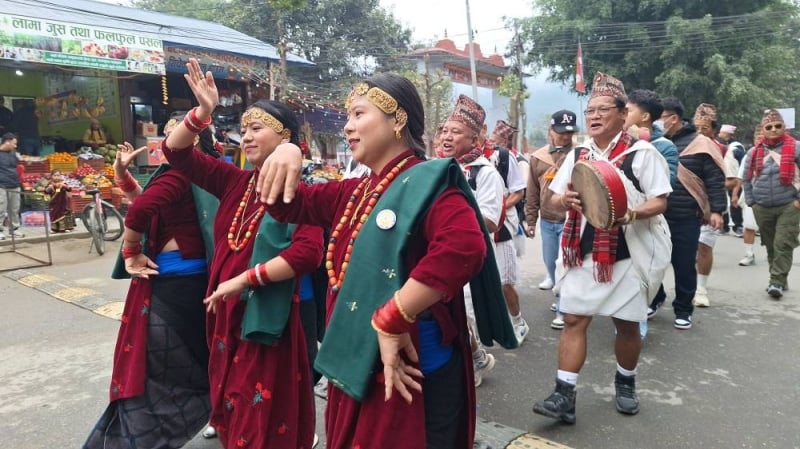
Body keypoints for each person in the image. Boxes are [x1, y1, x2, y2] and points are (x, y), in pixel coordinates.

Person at [258, 76, 516, 448]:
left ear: (398, 120)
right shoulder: (356, 190)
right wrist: (288, 151)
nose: (347, 125)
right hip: (360, 357)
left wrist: (393, 316)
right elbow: (286, 205)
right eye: (348, 115)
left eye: (358, 113)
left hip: (411, 375)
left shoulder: (430, 184)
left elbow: (465, 247)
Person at [164, 58, 324, 449]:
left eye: (257, 128)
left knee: (260, 406)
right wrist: (203, 113)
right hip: (225, 311)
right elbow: (176, 153)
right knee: (231, 394)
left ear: (285, 137)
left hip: (268, 315)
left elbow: (307, 253)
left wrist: (243, 280)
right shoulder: (234, 181)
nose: (246, 136)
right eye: (244, 129)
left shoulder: (303, 192)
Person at [532, 72, 671, 424]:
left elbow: (660, 201)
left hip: (627, 253)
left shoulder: (643, 153)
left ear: (624, 115)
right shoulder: (579, 153)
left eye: (603, 109)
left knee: (626, 326)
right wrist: (567, 199)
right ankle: (564, 395)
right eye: (590, 110)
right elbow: (554, 199)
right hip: (582, 251)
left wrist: (632, 214)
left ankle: (626, 381)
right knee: (575, 320)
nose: (593, 116)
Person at [82, 117, 220, 449]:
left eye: (175, 129)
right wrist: (122, 175)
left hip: (176, 290)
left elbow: (143, 207)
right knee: (190, 368)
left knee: (164, 377)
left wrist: (130, 251)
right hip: (190, 284)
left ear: (194, 140)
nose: (166, 136)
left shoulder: (180, 171)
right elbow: (153, 205)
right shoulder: (204, 172)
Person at [441, 95, 507, 387]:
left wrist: (451, 221)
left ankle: (474, 359)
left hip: (468, 254)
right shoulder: (437, 167)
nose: (447, 136)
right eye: (444, 130)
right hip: (439, 251)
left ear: (473, 138)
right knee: (446, 310)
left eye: (455, 132)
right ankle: (475, 355)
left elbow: (491, 220)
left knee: (462, 314)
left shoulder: (485, 173)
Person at [649, 99, 726, 329]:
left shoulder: (700, 143)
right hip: (655, 214)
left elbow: (714, 179)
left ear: (674, 118)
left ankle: (683, 308)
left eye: (660, 116)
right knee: (652, 262)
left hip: (686, 215)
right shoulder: (653, 142)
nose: (656, 121)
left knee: (683, 264)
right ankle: (655, 297)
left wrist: (716, 210)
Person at [478, 118, 529, 345]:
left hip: (501, 230)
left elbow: (519, 192)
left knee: (505, 283)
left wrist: (498, 207)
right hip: (474, 231)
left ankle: (518, 321)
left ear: (482, 131)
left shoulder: (503, 157)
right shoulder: (458, 160)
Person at [525, 109, 576, 330]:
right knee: (550, 263)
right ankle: (561, 295)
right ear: (551, 131)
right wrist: (530, 220)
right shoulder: (538, 157)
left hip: (571, 219)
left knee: (566, 264)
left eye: (569, 133)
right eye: (560, 132)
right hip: (547, 220)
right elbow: (532, 191)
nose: (565, 137)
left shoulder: (580, 154)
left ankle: (564, 306)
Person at [742, 109, 800, 299]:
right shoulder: (754, 151)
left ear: (784, 127)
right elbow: (746, 178)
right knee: (770, 244)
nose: (774, 129)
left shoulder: (796, 147)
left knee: (782, 243)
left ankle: (775, 282)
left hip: (789, 205)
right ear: (763, 130)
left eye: (778, 126)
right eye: (769, 127)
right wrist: (752, 202)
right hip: (762, 206)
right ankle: (779, 278)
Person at [732, 125, 763, 266]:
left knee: (773, 231)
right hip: (751, 195)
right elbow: (741, 177)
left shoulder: (781, 153)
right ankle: (749, 254)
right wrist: (734, 194)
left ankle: (776, 258)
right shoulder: (750, 154)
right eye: (757, 136)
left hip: (775, 198)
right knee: (749, 226)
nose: (760, 139)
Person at [718, 124, 746, 236]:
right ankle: (723, 226)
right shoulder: (720, 145)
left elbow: (742, 163)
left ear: (728, 135)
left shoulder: (736, 148)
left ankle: (738, 225)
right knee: (722, 201)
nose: (719, 135)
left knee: (735, 201)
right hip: (721, 176)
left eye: (722, 133)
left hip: (734, 177)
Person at [0, 132, 23, 240]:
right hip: (1, 185)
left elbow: (16, 167)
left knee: (14, 209)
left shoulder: (14, 154)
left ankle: (14, 229)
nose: (15, 146)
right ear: (7, 142)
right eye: (14, 143)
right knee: (1, 208)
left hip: (14, 184)